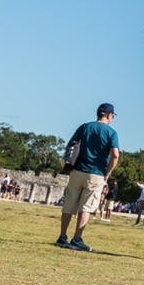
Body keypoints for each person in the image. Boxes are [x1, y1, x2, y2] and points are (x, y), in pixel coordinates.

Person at [56, 104, 120, 251]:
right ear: (109, 115)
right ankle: (77, 239)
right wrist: (107, 174)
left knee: (69, 204)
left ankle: (62, 236)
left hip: (77, 170)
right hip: (96, 173)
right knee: (86, 207)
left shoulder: (84, 127)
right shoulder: (111, 133)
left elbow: (70, 145)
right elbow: (115, 155)